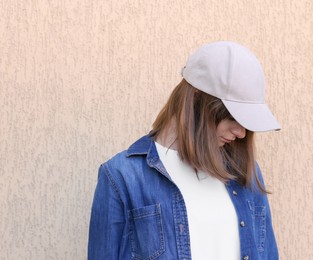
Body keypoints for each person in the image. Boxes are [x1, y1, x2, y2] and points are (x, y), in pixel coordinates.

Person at [88, 41, 280, 260]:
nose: (241, 133)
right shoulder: (122, 178)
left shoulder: (245, 173)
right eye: (232, 116)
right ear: (197, 99)